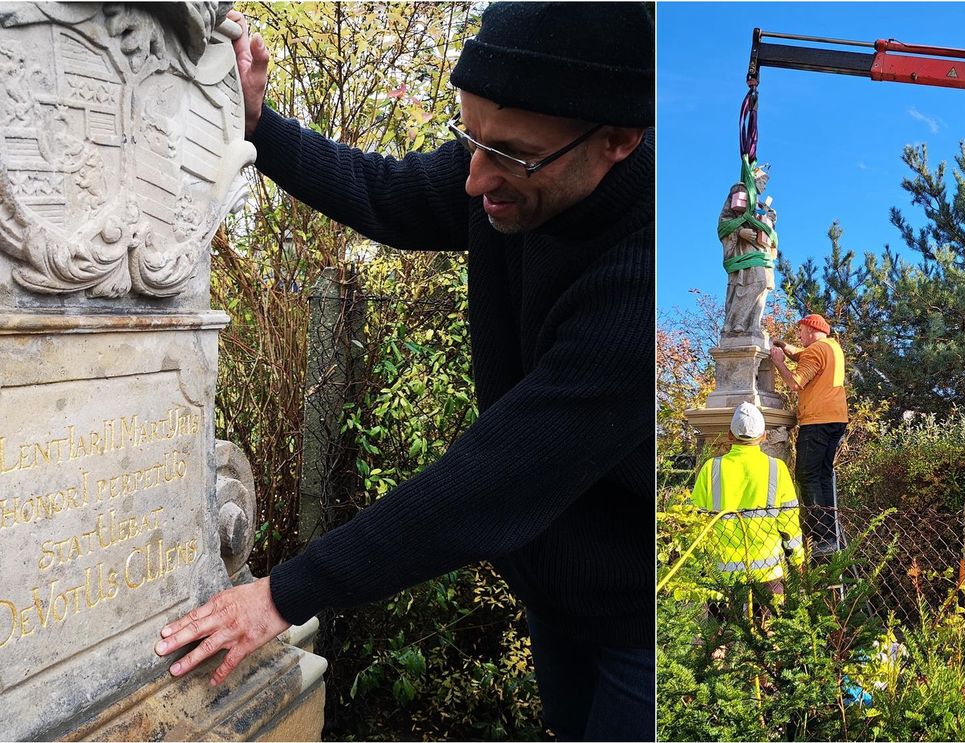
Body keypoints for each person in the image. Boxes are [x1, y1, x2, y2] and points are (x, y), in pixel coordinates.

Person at [154, 4, 654, 741]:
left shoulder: (641, 279)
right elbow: (387, 193)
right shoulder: (522, 162)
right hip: (557, 599)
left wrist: (281, 596)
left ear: (618, 139)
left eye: (507, 154)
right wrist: (260, 124)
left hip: (638, 627)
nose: (473, 179)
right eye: (469, 137)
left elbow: (489, 480)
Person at [689, 402, 803, 626]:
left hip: (722, 572)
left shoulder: (711, 469)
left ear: (730, 435)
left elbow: (696, 522)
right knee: (768, 638)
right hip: (768, 571)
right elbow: (789, 522)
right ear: (763, 436)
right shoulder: (776, 469)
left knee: (721, 636)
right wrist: (798, 558)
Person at [769, 314, 849, 554]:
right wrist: (785, 346)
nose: (799, 335)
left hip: (817, 421)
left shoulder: (815, 351)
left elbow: (796, 382)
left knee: (807, 476)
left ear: (812, 329)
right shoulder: (832, 347)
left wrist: (778, 361)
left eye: (801, 330)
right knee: (823, 476)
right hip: (836, 419)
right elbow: (804, 355)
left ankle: (823, 537)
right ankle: (831, 533)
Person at [717, 180, 777, 338]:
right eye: (762, 180)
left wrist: (769, 219)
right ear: (753, 178)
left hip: (762, 250)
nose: (765, 184)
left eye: (766, 181)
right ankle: (735, 322)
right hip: (744, 250)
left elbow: (769, 228)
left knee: (764, 287)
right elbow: (723, 224)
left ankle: (753, 325)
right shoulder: (739, 191)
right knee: (756, 283)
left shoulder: (762, 205)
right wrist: (739, 232)